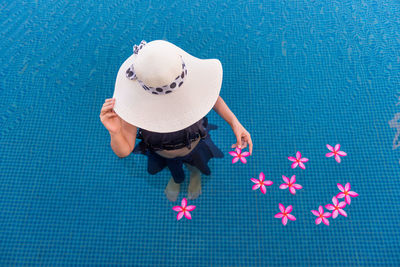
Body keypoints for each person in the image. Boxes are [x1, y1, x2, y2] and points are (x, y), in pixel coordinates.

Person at [99, 40, 253, 202]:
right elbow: (124, 151)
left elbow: (213, 99)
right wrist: (115, 132)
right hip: (161, 151)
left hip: (195, 145)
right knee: (174, 168)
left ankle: (193, 174)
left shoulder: (188, 84)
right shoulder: (134, 107)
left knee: (196, 165)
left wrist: (235, 123)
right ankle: (177, 179)